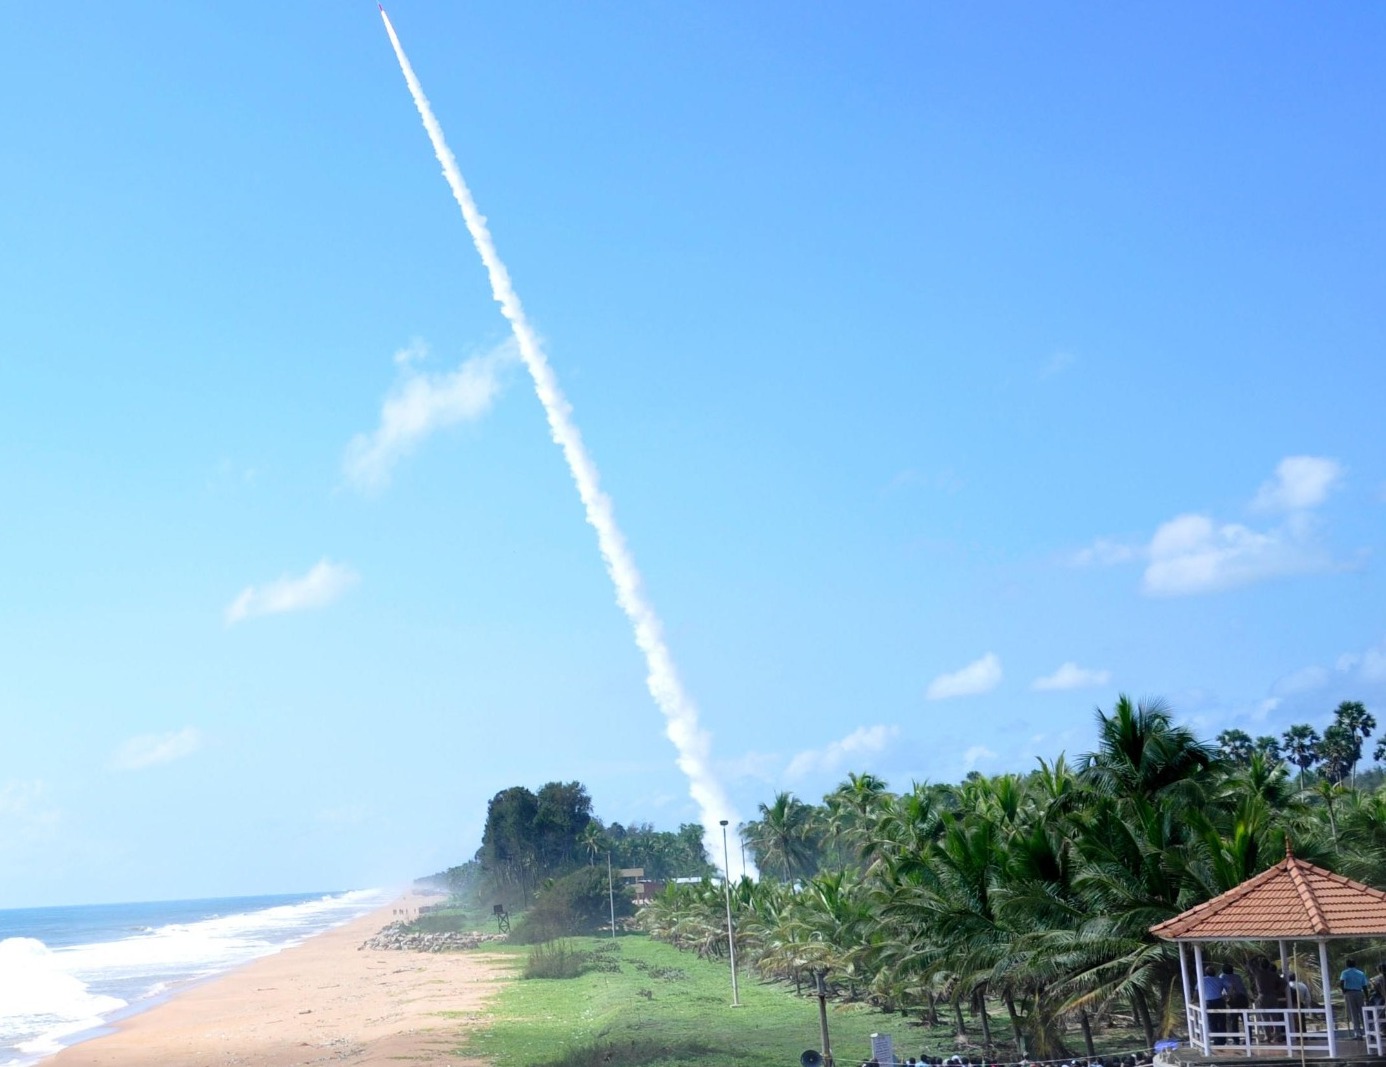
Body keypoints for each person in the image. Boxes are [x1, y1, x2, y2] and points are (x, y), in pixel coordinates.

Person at [1221, 963, 1250, 1043]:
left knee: (1233, 1021)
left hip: (1234, 999)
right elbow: (1243, 988)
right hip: (1243, 998)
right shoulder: (1237, 976)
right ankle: (1249, 1039)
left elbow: (1223, 989)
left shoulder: (1223, 977)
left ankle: (1236, 1040)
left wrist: (1225, 998)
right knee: (1246, 1019)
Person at [1341, 957, 1369, 1039]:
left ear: (1347, 964)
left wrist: (1343, 991)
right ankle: (1367, 1031)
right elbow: (1364, 986)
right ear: (1355, 964)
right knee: (1362, 1012)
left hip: (1349, 993)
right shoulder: (1361, 973)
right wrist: (1367, 997)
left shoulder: (1345, 972)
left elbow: (1342, 982)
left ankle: (1358, 1033)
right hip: (1359, 992)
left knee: (1353, 1013)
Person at [1202, 964, 1228, 1045]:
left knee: (1212, 1022)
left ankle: (1217, 1040)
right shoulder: (1219, 980)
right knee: (1221, 1021)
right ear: (1215, 972)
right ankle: (1222, 1040)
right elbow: (1226, 990)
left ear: (1206, 973)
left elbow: (1196, 992)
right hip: (1219, 1001)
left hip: (1209, 1002)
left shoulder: (1202, 980)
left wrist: (1194, 1000)